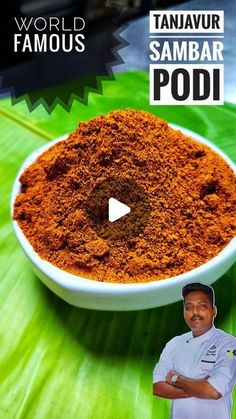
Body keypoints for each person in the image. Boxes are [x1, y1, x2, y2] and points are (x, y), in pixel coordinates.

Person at [153, 282, 236, 419]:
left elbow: (214, 391)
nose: (195, 312)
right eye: (188, 307)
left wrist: (175, 379)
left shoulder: (229, 344)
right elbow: (157, 387)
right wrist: (200, 388)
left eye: (202, 306)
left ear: (214, 311)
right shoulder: (174, 343)